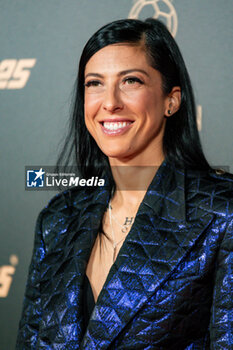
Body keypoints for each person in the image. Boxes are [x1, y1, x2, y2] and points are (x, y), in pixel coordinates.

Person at [16, 18, 233, 349]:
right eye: (94, 83)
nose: (110, 101)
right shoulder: (58, 218)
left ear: (171, 101)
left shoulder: (222, 214)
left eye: (131, 81)